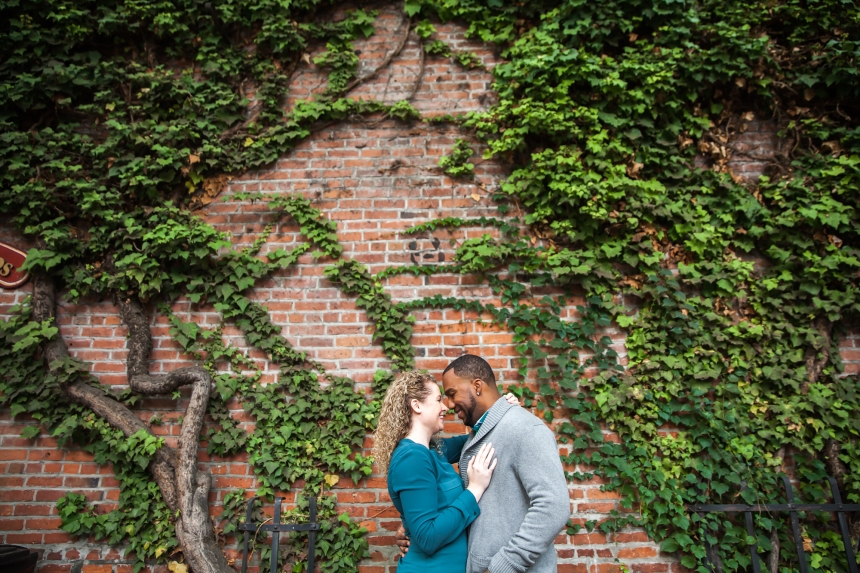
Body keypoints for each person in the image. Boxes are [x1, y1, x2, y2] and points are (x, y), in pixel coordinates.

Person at [396, 354, 571, 573]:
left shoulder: (526, 430)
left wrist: (502, 566)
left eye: (451, 394)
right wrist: (414, 524)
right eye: (442, 399)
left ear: (477, 386)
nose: (448, 406)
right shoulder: (474, 437)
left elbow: (553, 507)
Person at [372, 370, 499, 573]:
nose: (445, 407)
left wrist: (498, 409)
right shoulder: (411, 458)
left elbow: (474, 439)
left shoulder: (433, 450)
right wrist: (474, 490)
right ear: (416, 405)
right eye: (438, 399)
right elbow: (428, 538)